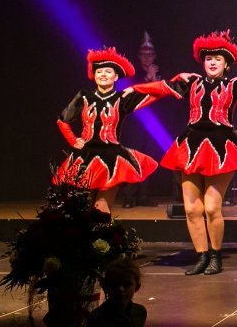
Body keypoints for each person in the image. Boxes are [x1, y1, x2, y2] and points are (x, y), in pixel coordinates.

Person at [126, 30, 237, 276]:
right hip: (191, 146)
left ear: (226, 64)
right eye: (209, 58)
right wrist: (134, 90)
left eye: (217, 59)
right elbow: (162, 88)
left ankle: (215, 255)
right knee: (192, 209)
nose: (212, 62)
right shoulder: (191, 82)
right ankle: (201, 255)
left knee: (211, 208)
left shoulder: (235, 85)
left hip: (221, 147)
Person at [54, 48, 164, 214]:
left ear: (116, 76)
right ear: (94, 75)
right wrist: (73, 140)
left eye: (108, 71)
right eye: (99, 71)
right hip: (85, 156)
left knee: (102, 208)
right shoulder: (84, 96)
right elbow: (62, 120)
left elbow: (158, 92)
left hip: (111, 158)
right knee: (83, 207)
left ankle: (103, 231)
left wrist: (136, 88)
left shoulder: (122, 98)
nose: (103, 74)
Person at [121, 32, 163, 208]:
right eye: (144, 55)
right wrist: (147, 78)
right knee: (133, 160)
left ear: (154, 56)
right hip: (135, 125)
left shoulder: (160, 73)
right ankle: (129, 197)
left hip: (153, 125)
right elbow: (130, 95)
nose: (147, 58)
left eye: (150, 55)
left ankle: (144, 196)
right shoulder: (132, 74)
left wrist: (155, 80)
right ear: (138, 57)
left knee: (148, 160)